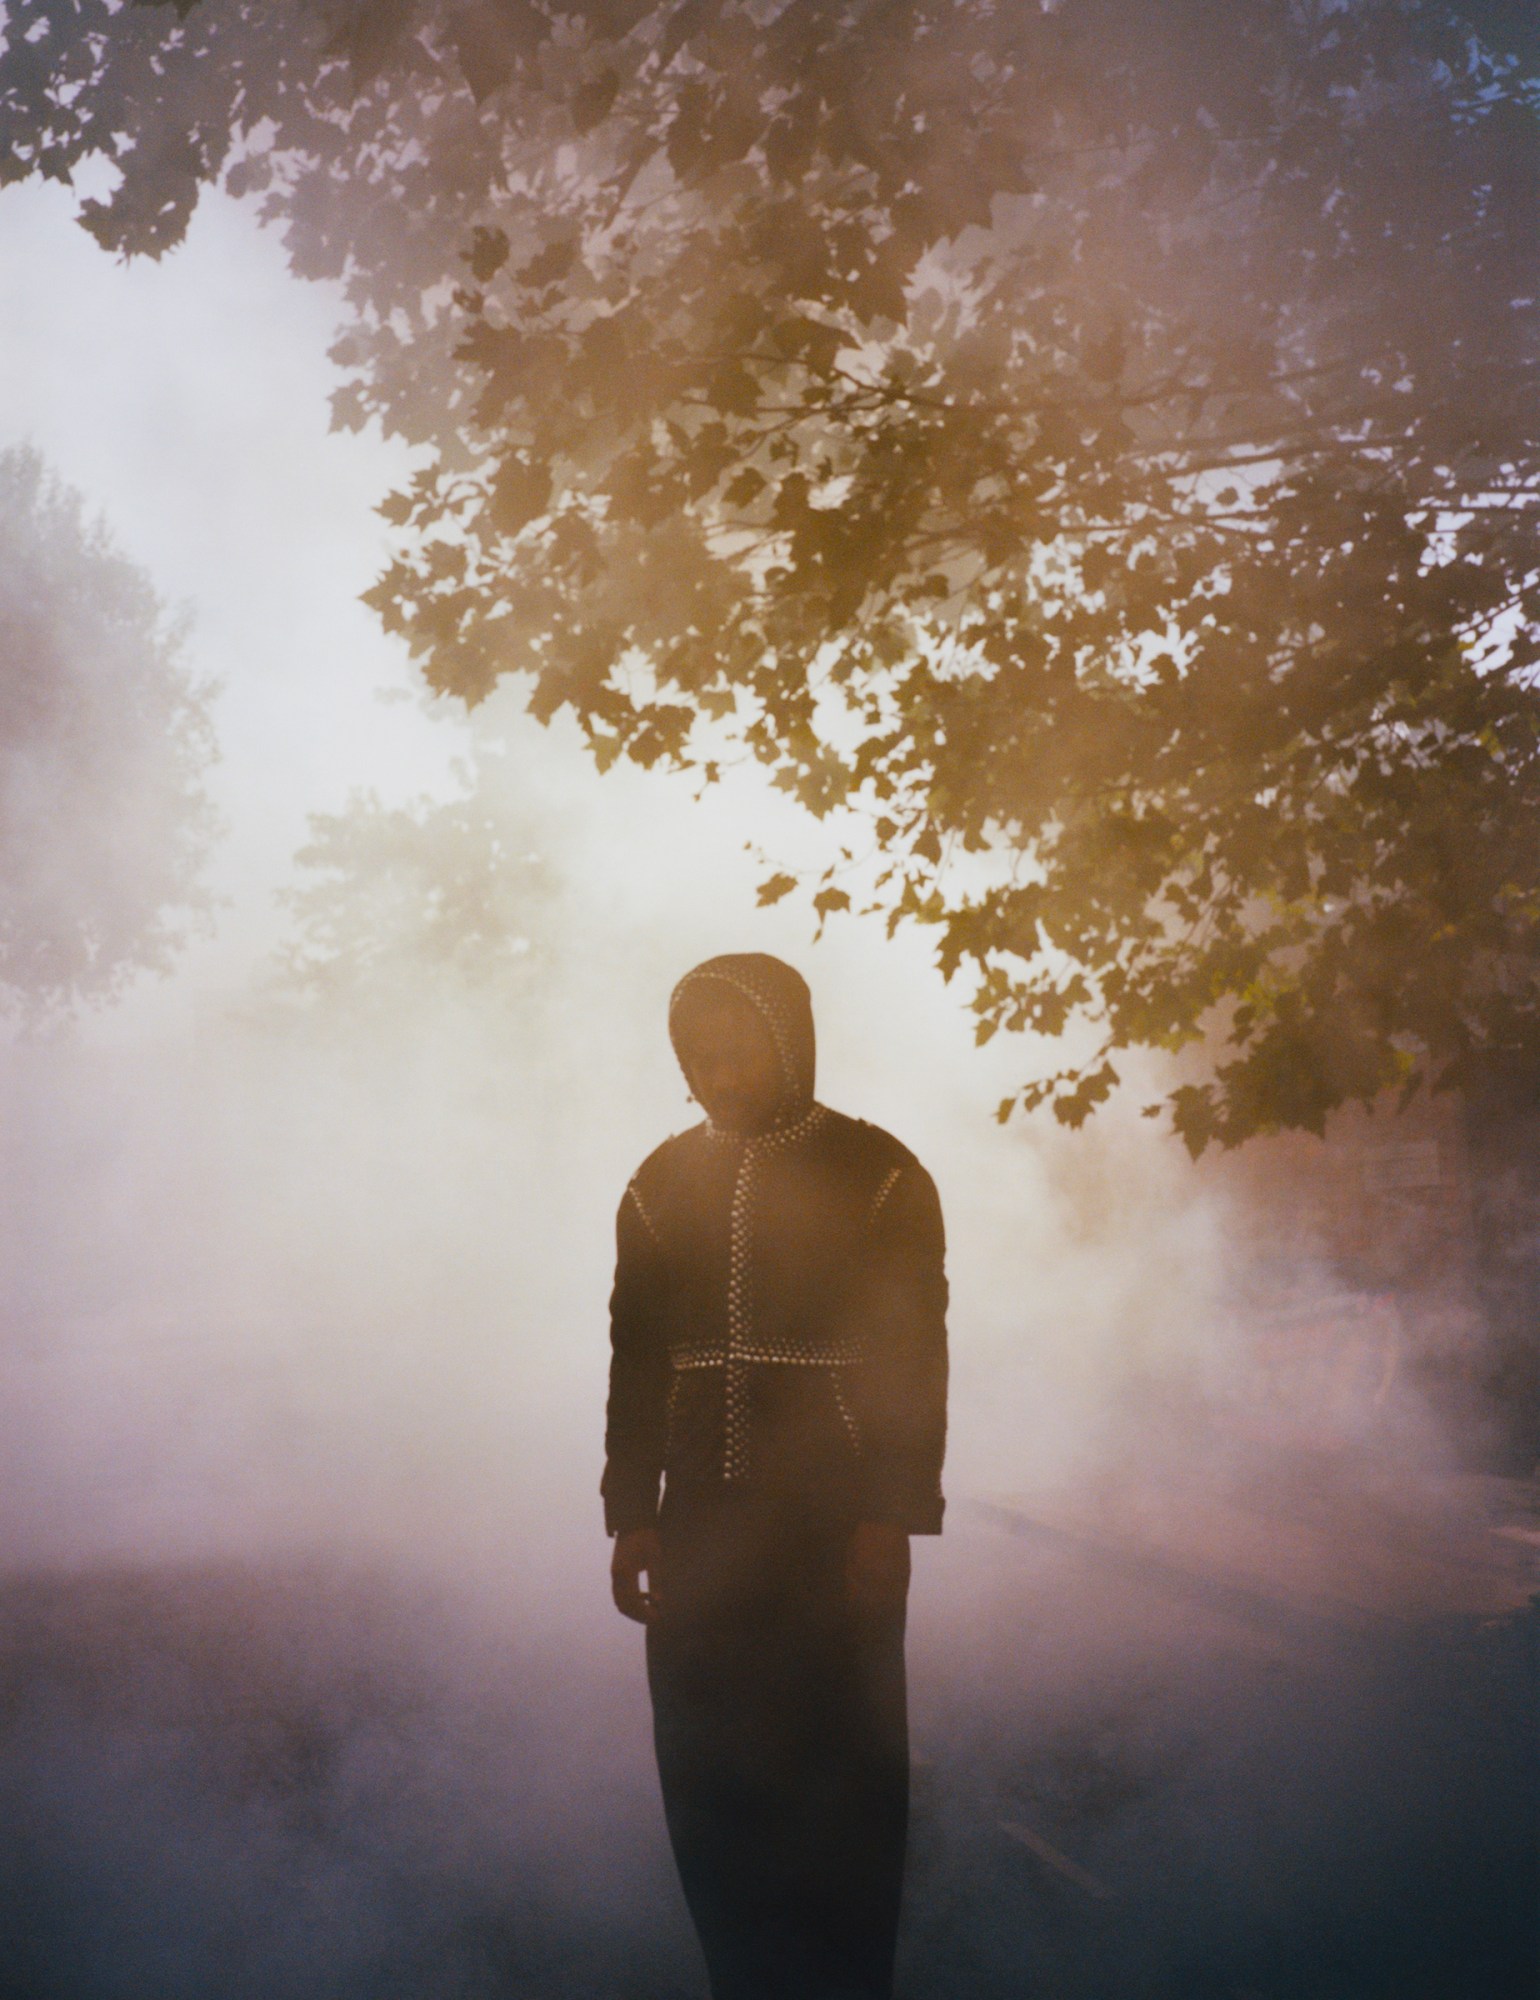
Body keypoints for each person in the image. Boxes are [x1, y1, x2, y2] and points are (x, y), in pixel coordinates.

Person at [603, 952, 949, 2000]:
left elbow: (913, 1350)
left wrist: (892, 1509)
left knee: (842, 1768)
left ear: (789, 1042)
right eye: (698, 1055)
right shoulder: (658, 1182)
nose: (719, 1071)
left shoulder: (878, 1170)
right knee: (707, 1771)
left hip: (833, 1521)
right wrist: (632, 1512)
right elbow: (635, 1356)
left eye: (739, 1048)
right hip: (700, 1520)